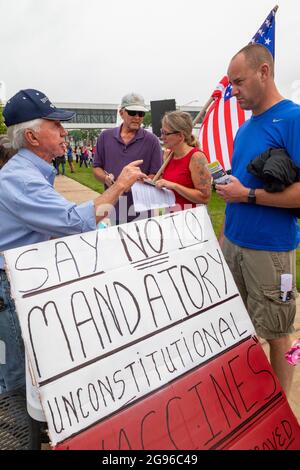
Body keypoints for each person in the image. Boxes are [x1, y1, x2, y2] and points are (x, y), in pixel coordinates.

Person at [0, 88, 147, 395]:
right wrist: (119, 185)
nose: (64, 131)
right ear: (32, 136)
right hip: (9, 288)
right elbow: (74, 222)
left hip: (20, 280)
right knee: (16, 380)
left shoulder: (31, 171)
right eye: (54, 125)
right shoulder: (22, 178)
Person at [216, 44, 300, 396]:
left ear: (264, 72)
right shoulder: (246, 128)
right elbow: (238, 185)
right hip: (235, 243)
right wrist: (225, 236)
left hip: (270, 250)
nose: (232, 91)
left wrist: (248, 195)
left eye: (238, 81)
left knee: (280, 334)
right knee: (242, 328)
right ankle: (253, 403)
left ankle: (281, 417)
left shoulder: (293, 118)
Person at [93, 93, 163, 224]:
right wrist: (105, 178)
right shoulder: (105, 137)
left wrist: (141, 182)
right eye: (132, 112)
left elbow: (156, 174)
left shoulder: (152, 141)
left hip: (141, 211)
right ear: (121, 113)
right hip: (112, 208)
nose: (137, 117)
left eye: (141, 113)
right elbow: (96, 168)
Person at [155, 111, 211, 209]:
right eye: (161, 132)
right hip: (172, 218)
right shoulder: (169, 156)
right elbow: (166, 185)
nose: (162, 137)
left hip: (191, 220)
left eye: (165, 133)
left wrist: (175, 186)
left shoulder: (196, 157)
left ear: (180, 136)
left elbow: (204, 197)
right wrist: (147, 183)